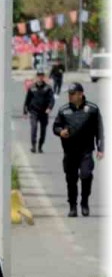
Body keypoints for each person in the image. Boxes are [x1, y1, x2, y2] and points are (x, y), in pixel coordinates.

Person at [52, 83, 103, 217]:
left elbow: (99, 129)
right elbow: (55, 127)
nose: (70, 96)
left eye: (73, 94)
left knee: (86, 175)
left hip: (86, 151)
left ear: (81, 94)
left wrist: (100, 148)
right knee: (71, 179)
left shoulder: (92, 109)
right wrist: (60, 132)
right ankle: (73, 206)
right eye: (69, 94)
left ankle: (84, 202)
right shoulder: (63, 110)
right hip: (70, 151)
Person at [23, 71, 55, 154]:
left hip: (44, 112)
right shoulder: (32, 87)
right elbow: (27, 99)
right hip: (34, 112)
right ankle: (33, 146)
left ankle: (40, 146)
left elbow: (52, 100)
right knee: (34, 128)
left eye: (41, 76)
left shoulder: (48, 88)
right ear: (36, 77)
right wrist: (25, 111)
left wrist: (49, 108)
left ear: (43, 77)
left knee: (43, 130)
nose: (40, 78)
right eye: (38, 76)